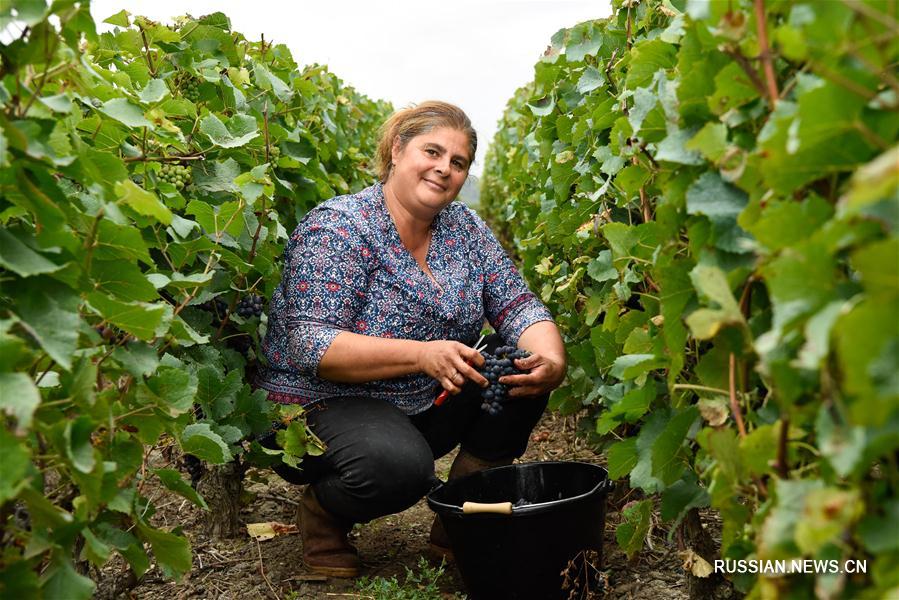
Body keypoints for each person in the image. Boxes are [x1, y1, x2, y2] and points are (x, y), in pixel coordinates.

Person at [255, 100, 566, 577]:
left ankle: (458, 527)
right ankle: (323, 516)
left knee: (521, 377)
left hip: (423, 400)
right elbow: (309, 343)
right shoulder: (339, 227)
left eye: (458, 162)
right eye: (433, 151)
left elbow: (516, 304)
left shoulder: (463, 229)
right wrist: (421, 355)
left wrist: (550, 358)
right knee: (399, 468)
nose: (444, 169)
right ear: (398, 150)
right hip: (319, 407)